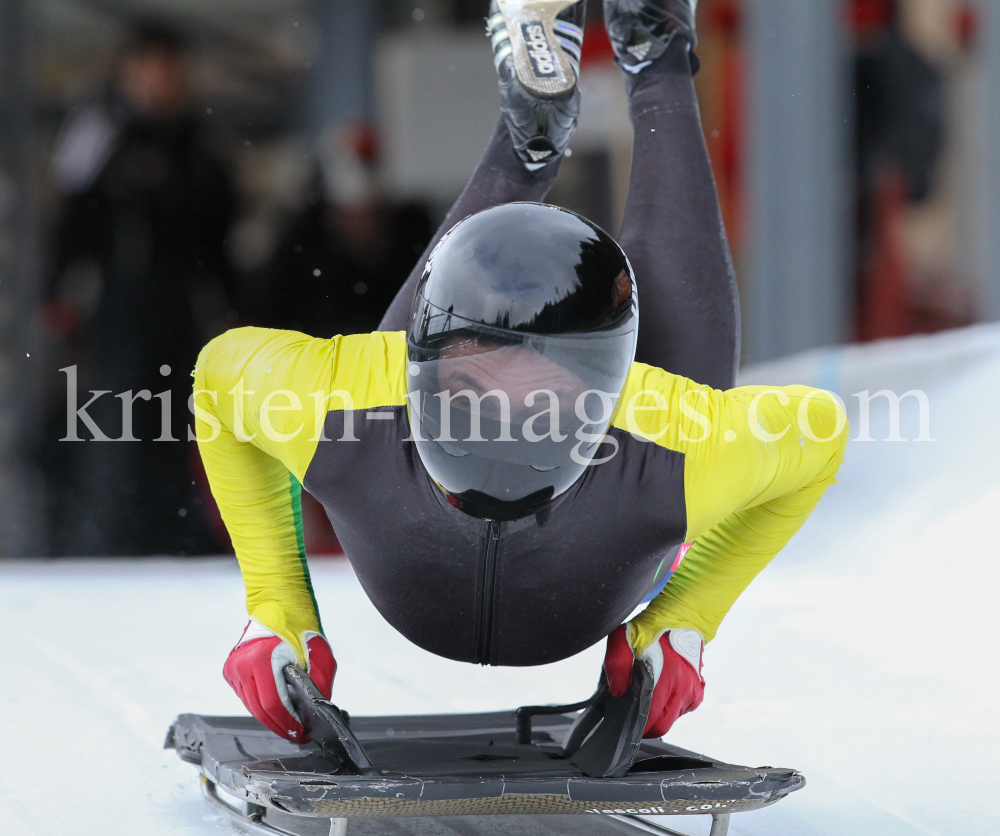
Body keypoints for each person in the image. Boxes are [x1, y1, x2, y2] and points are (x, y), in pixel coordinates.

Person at [199, 0, 848, 745]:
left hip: (464, 455)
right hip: (587, 522)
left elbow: (222, 377)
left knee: (465, 315)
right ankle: (650, 55)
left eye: (540, 396)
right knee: (481, 322)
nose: (507, 426)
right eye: (478, 387)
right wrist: (276, 603)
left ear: (609, 385)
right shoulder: (668, 442)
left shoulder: (351, 406)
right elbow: (819, 433)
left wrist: (688, 618)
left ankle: (542, 132)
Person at [44, 24, 237, 555]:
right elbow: (68, 221)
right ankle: (113, 541)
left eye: (170, 70)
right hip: (119, 309)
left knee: (181, 429)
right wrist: (57, 294)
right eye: (151, 68)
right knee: (118, 423)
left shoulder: (198, 145)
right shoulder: (99, 133)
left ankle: (173, 537)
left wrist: (230, 307)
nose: (162, 82)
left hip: (180, 312)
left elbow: (216, 240)